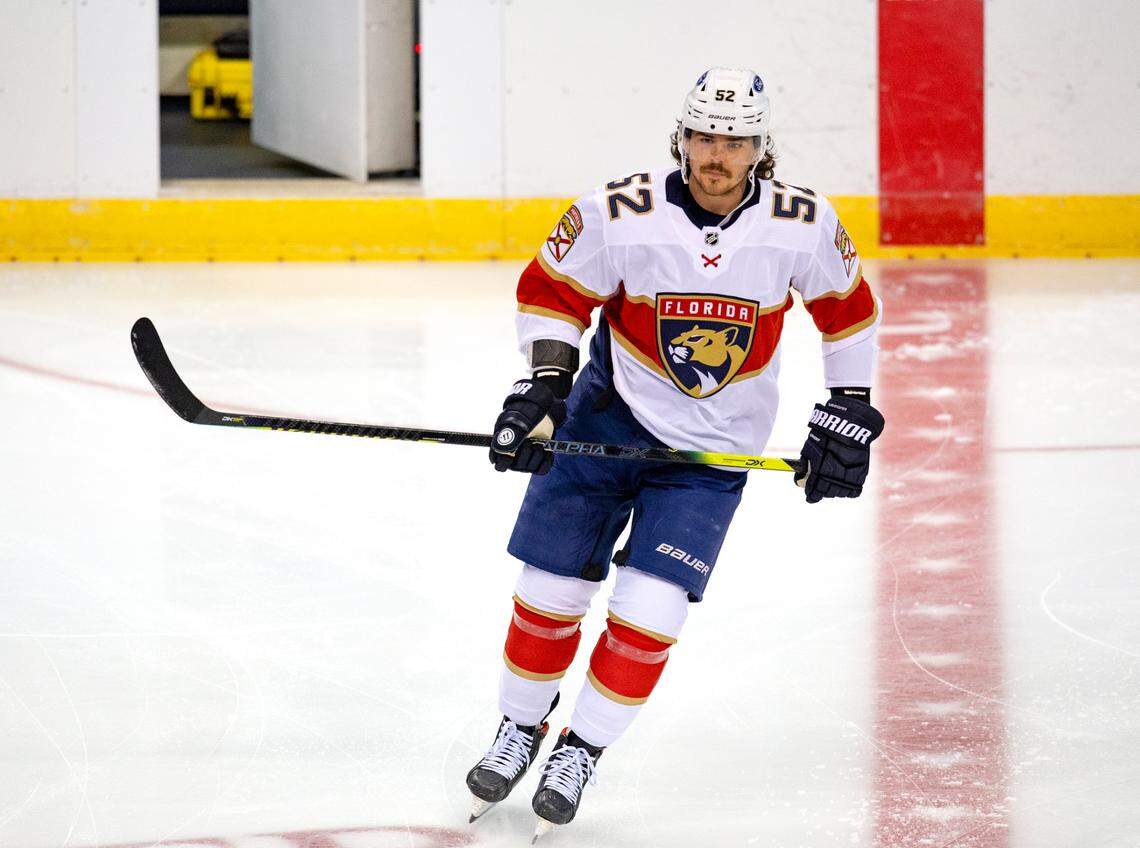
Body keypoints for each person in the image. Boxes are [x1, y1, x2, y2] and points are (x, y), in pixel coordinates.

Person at [466, 66, 885, 840]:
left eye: (734, 141)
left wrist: (848, 409)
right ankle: (519, 727)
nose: (716, 154)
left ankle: (580, 749)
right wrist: (545, 388)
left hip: (713, 450)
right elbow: (555, 293)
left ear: (760, 148)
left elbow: (848, 313)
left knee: (651, 609)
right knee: (549, 590)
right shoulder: (620, 211)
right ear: (681, 138)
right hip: (604, 425)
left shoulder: (802, 222)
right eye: (703, 136)